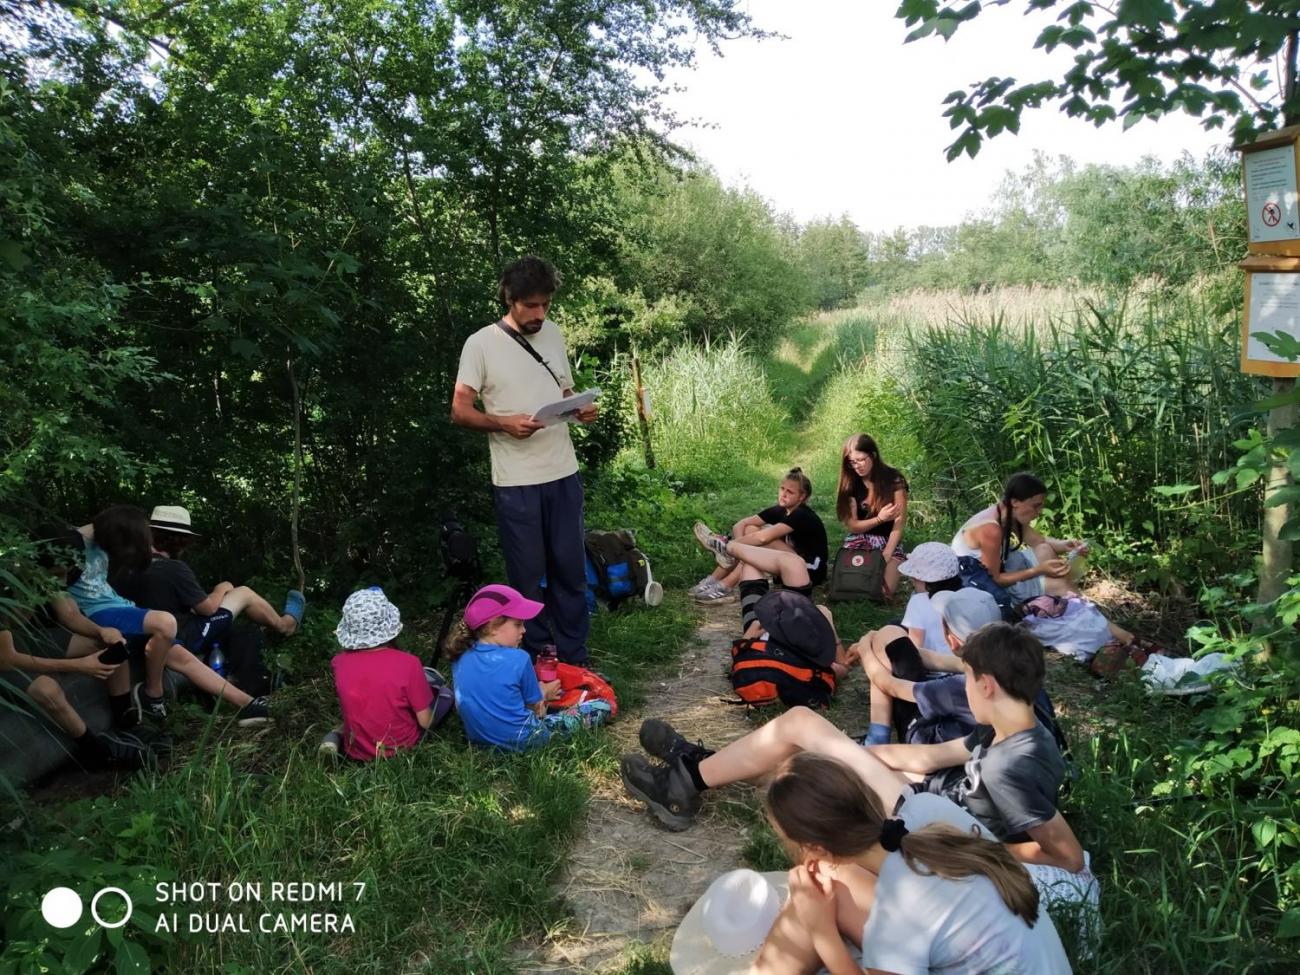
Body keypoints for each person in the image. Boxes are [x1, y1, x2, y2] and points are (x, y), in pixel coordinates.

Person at [619, 623, 1088, 876]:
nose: (961, 687)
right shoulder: (1013, 727)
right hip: (927, 797)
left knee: (802, 723)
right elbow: (936, 758)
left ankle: (682, 784)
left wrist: (977, 849)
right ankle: (699, 767)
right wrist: (863, 755)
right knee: (808, 754)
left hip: (932, 827)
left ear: (986, 685)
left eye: (964, 679)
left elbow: (1067, 856)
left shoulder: (1013, 765)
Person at [745, 753, 1071, 974]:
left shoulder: (897, 918)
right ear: (867, 795)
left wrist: (821, 931)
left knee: (819, 900)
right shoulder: (929, 819)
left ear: (816, 847)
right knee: (828, 886)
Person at [451, 256, 597, 665]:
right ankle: (535, 655)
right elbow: (459, 410)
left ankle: (573, 656)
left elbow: (564, 391)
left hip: (563, 472)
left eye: (546, 304)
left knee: (570, 570)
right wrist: (502, 423)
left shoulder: (552, 334)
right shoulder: (480, 344)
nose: (540, 314)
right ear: (510, 299)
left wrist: (579, 408)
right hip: (515, 481)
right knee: (527, 578)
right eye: (531, 305)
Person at [43, 510, 270, 726]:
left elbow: (103, 526)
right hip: (100, 615)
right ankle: (154, 693)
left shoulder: (101, 536)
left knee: (182, 657)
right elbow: (68, 612)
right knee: (165, 622)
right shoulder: (66, 547)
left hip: (123, 608)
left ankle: (247, 704)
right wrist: (99, 631)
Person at [113, 505, 304, 654]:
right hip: (182, 637)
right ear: (181, 541)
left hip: (140, 636)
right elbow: (207, 609)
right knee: (243, 593)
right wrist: (221, 589)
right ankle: (285, 626)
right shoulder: (173, 568)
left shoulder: (125, 566)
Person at [446, 583, 611, 751]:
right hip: (528, 741)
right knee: (602, 706)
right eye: (518, 624)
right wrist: (545, 692)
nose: (524, 630)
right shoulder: (519, 658)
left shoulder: (460, 655)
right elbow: (537, 709)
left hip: (480, 742)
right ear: (492, 627)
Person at [858, 586, 1000, 747]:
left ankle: (877, 738)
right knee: (890, 633)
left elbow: (888, 684)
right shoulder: (999, 666)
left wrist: (865, 650)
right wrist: (877, 639)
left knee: (889, 636)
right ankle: (877, 735)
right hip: (960, 730)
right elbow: (937, 659)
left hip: (924, 737)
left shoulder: (956, 687)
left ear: (952, 640)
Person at [321, 588, 448, 761]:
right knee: (446, 696)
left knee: (350, 721)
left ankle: (333, 739)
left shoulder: (339, 663)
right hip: (400, 750)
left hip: (358, 752)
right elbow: (425, 721)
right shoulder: (409, 663)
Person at [0, 625, 150, 768]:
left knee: (113, 646)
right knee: (46, 690)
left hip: (19, 638)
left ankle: (126, 722)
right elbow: (6, 660)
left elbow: (69, 613)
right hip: (5, 659)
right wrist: (78, 665)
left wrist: (101, 631)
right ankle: (96, 752)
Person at [689, 468, 828, 603]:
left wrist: (731, 546)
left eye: (790, 492)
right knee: (751, 528)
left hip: (807, 571)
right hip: (789, 563)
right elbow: (740, 524)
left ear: (802, 496)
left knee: (766, 540)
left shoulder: (801, 514)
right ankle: (714, 578)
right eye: (782, 489)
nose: (783, 494)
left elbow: (763, 538)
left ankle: (726, 584)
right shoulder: (781, 509)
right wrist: (737, 551)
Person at [836, 434, 909, 598]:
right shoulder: (850, 483)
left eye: (861, 460)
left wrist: (888, 553)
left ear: (873, 456)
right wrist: (880, 519)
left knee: (883, 593)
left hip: (888, 540)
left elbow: (900, 521)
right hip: (860, 539)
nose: (857, 466)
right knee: (853, 588)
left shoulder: (894, 479)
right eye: (852, 462)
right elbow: (853, 526)